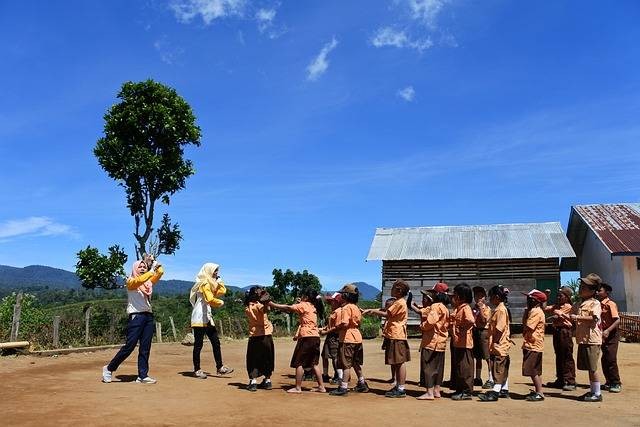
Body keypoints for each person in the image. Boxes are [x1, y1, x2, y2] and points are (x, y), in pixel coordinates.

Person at [102, 257, 164, 384]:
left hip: (148, 316)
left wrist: (153, 262)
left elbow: (160, 272)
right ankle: (109, 368)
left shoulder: (148, 283)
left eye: (144, 267)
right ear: (134, 268)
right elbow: (139, 280)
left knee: (145, 348)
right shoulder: (130, 281)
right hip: (136, 316)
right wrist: (151, 270)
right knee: (129, 346)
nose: (142, 268)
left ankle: (142, 375)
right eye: (140, 267)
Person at [269, 288, 326, 393]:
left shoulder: (304, 305)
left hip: (306, 337)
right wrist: (300, 303)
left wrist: (272, 304)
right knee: (314, 364)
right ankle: (321, 387)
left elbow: (288, 307)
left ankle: (298, 387)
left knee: (299, 362)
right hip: (315, 337)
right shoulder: (314, 307)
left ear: (307, 297)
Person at [363, 279, 411, 398]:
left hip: (397, 335)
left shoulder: (400, 302)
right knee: (397, 362)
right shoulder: (398, 302)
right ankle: (399, 386)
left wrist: (372, 311)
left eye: (393, 287)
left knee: (399, 362)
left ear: (398, 291)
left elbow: (387, 314)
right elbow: (386, 311)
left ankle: (401, 388)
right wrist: (371, 310)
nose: (391, 289)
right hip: (394, 335)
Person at [189, 263, 233, 378]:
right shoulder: (204, 284)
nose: (217, 273)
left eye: (217, 271)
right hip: (199, 317)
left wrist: (219, 281)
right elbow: (209, 298)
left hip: (207, 317)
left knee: (215, 342)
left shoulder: (210, 284)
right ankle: (197, 370)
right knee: (198, 344)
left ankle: (220, 367)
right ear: (208, 271)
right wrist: (220, 302)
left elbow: (222, 291)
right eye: (214, 271)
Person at [568, 273, 604, 402]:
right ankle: (593, 391)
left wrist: (577, 317)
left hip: (592, 339)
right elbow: (570, 315)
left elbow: (594, 319)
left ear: (593, 290)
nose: (580, 289)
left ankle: (597, 393)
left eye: (584, 287)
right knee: (589, 367)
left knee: (593, 367)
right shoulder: (579, 304)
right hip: (583, 339)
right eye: (581, 286)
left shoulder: (595, 303)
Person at [329, 284, 369, 396]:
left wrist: (335, 328)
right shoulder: (356, 308)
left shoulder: (346, 308)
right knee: (355, 362)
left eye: (342, 294)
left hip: (347, 338)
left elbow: (345, 323)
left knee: (345, 364)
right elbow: (358, 323)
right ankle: (362, 383)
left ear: (346, 296)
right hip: (357, 337)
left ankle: (343, 387)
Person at [478, 285, 512, 401]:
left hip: (499, 344)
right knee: (502, 367)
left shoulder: (501, 310)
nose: (490, 299)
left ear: (497, 297)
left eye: (491, 297)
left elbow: (499, 328)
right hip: (500, 344)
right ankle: (504, 389)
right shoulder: (498, 309)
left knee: (498, 367)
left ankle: (495, 391)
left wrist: (495, 342)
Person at [417, 282, 450, 400]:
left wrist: (422, 325)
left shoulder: (436, 306)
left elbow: (431, 321)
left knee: (428, 366)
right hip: (441, 342)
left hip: (431, 341)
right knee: (438, 368)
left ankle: (429, 392)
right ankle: (437, 390)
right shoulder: (445, 308)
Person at [543, 286, 576, 391]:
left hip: (564, 331)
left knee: (566, 356)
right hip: (557, 331)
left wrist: (556, 315)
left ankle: (570, 381)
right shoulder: (557, 305)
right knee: (559, 355)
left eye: (560, 295)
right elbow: (544, 308)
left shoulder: (568, 306)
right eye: (557, 295)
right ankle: (561, 379)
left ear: (566, 297)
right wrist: (546, 297)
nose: (558, 297)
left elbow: (558, 315)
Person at [244, 286, 274, 391]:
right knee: (267, 358)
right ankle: (267, 381)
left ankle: (253, 382)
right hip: (266, 335)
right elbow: (266, 309)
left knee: (253, 359)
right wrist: (266, 301)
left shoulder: (248, 306)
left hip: (254, 336)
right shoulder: (258, 305)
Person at [450, 283, 475, 400]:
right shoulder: (458, 309)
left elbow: (470, 320)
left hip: (465, 343)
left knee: (465, 368)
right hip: (458, 343)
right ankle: (460, 389)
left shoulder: (465, 308)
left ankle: (466, 391)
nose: (453, 297)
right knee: (459, 367)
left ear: (461, 297)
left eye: (455, 295)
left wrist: (462, 329)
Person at [521, 289, 546, 402]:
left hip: (533, 345)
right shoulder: (534, 311)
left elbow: (528, 326)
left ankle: (539, 392)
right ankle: (538, 390)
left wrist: (526, 313)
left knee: (532, 370)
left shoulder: (535, 312)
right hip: (533, 344)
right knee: (535, 369)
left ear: (536, 301)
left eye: (530, 299)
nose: (527, 300)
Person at [597, 283, 622, 393]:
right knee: (605, 358)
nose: (597, 292)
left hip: (611, 333)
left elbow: (617, 320)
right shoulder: (598, 304)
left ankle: (616, 382)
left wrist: (608, 330)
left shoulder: (610, 304)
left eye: (600, 290)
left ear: (606, 292)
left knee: (611, 358)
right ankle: (609, 381)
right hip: (603, 334)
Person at [472, 286, 492, 389]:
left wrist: (480, 308)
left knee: (487, 356)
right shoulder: (473, 308)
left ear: (485, 298)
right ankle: (478, 378)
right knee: (477, 356)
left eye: (481, 296)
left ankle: (491, 378)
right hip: (475, 331)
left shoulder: (487, 309)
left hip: (484, 332)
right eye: (476, 296)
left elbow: (484, 321)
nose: (478, 298)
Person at [320, 292, 343, 384]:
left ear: (337, 302)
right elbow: (330, 325)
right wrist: (323, 328)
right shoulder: (333, 311)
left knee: (335, 357)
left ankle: (339, 377)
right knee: (325, 355)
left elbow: (337, 327)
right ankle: (326, 375)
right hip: (330, 336)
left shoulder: (339, 312)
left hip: (335, 337)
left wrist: (326, 331)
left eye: (333, 302)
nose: (331, 304)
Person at [381, 296, 397, 386]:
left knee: (395, 361)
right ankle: (393, 377)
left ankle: (396, 379)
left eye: (389, 306)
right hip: (388, 339)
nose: (387, 308)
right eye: (386, 306)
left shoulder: (395, 318)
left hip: (393, 339)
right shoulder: (388, 319)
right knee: (391, 361)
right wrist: (384, 343)